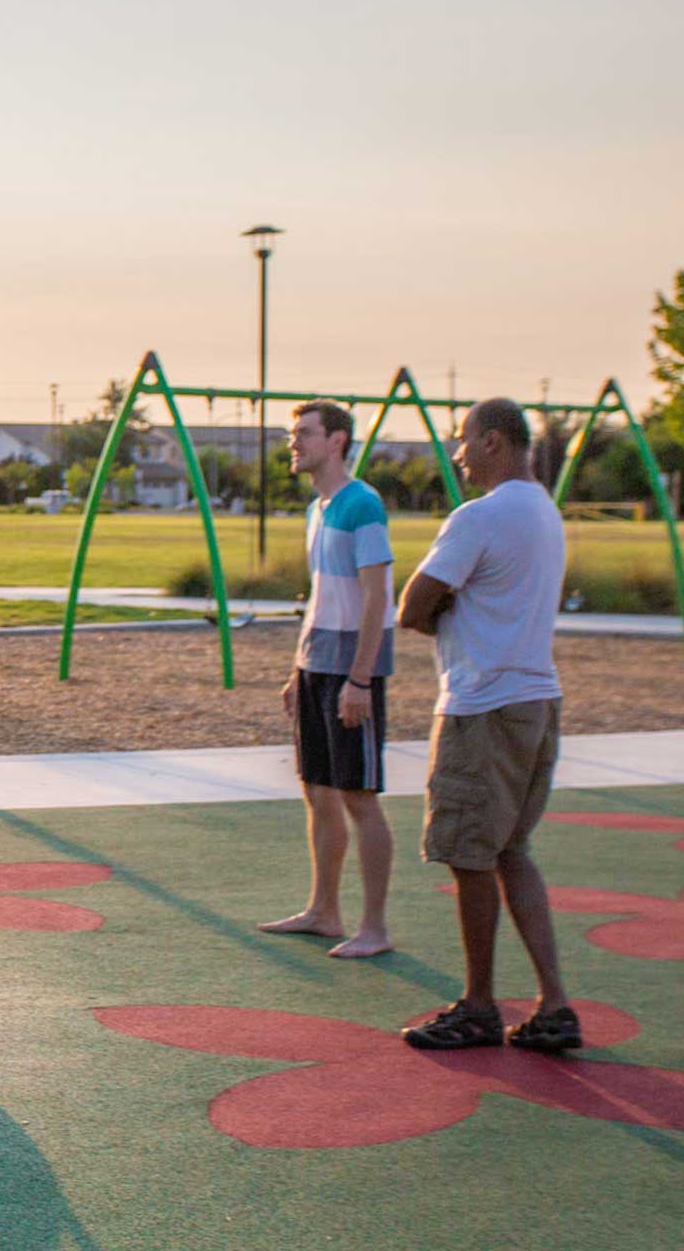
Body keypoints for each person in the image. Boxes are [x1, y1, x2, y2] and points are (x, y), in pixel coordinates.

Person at [396, 398, 578, 1052]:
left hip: (483, 706)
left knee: (469, 853)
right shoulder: (545, 512)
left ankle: (477, 1006)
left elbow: (412, 605)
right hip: (537, 700)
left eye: (464, 439)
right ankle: (554, 1004)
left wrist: (445, 611)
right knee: (511, 851)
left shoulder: (480, 516)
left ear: (494, 441)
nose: (458, 453)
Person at [258, 400, 397, 959]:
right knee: (317, 791)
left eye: (305, 433)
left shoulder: (363, 504)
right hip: (315, 665)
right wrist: (298, 669)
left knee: (359, 797)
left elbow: (376, 597)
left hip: (351, 672)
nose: (294, 443)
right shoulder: (318, 509)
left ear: (337, 440)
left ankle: (375, 928)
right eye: (293, 434)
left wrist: (359, 679)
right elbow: (322, 597)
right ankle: (324, 911)